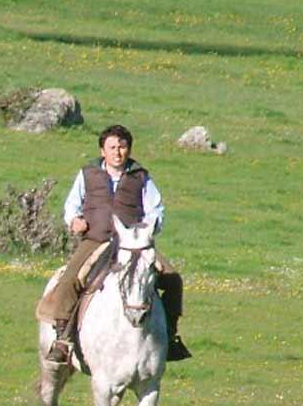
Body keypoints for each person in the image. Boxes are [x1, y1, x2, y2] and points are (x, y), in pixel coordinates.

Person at [37, 125, 189, 367]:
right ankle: (63, 340)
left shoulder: (141, 177)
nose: (117, 152)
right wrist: (74, 221)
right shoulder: (87, 173)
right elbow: (71, 206)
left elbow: (155, 210)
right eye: (112, 147)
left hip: (134, 244)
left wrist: (146, 230)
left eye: (122, 147)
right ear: (102, 150)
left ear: (128, 149)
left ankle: (170, 337)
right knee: (69, 280)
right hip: (96, 240)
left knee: (173, 280)